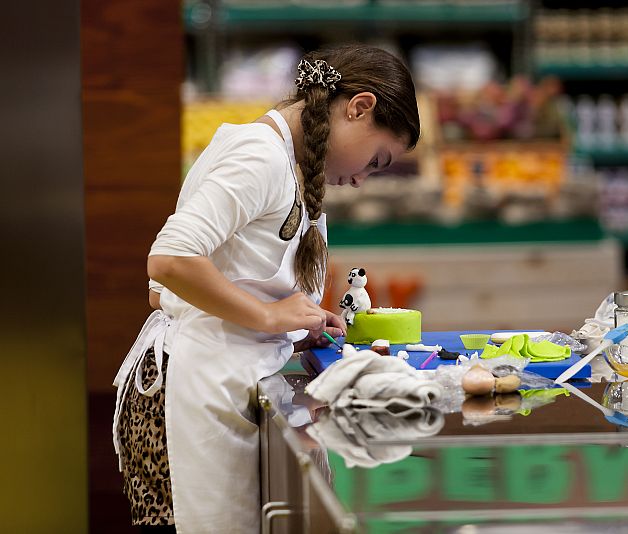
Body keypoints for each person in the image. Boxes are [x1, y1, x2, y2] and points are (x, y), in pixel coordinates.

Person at [112, 44, 420, 533]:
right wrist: (268, 318)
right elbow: (169, 262)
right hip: (205, 390)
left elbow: (216, 275)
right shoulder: (260, 155)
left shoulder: (291, 161)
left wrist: (294, 325)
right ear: (359, 107)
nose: (362, 179)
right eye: (376, 159)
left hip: (231, 385)